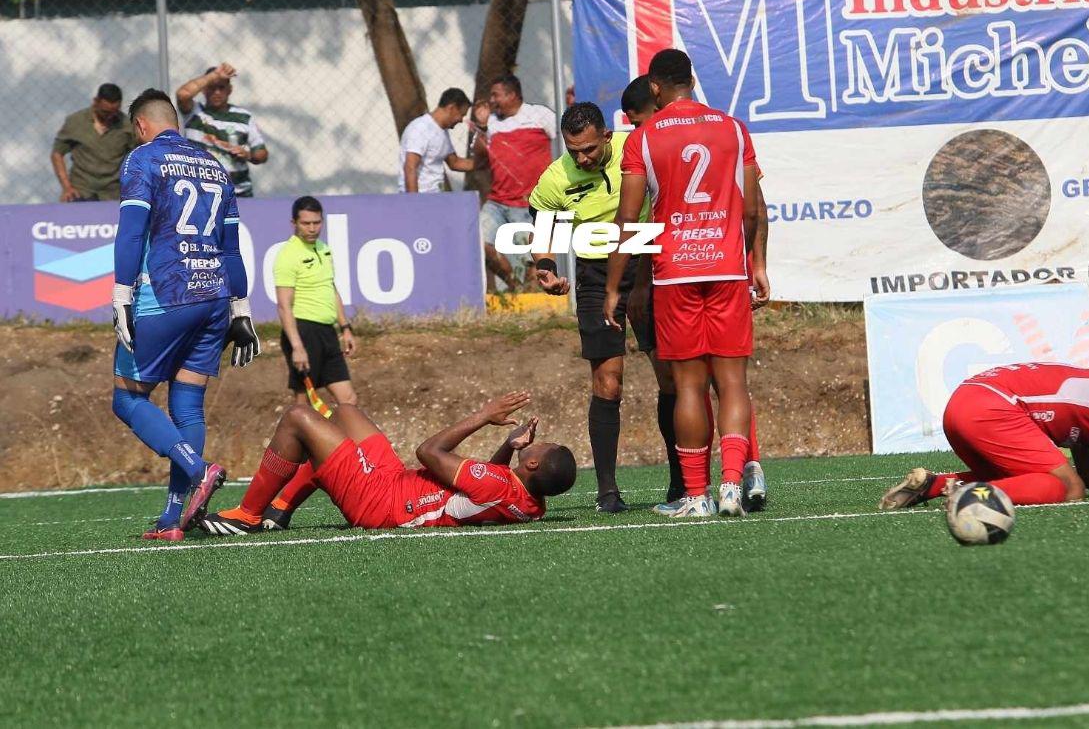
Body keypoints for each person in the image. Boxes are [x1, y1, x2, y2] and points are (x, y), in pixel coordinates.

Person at [604, 49, 768, 519]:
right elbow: (752, 207)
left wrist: (615, 285)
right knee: (733, 382)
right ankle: (734, 484)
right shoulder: (734, 128)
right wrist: (753, 260)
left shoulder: (644, 138)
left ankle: (697, 497)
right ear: (692, 80)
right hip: (726, 266)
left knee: (690, 387)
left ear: (654, 88)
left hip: (675, 272)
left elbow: (628, 219)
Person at [110, 89, 261, 542]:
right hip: (215, 293)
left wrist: (122, 290)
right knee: (187, 404)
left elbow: (132, 230)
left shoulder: (142, 159)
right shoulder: (215, 165)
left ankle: (198, 469)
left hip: (167, 292)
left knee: (128, 397)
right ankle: (172, 519)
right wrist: (241, 306)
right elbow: (231, 246)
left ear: (140, 125)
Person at [197, 391, 576, 534]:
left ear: (533, 467)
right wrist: (509, 447)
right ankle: (280, 509)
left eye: (542, 447)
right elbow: (481, 489)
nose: (539, 442)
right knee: (345, 413)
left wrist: (484, 414)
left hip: (382, 503)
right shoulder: (529, 502)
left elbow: (428, 452)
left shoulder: (496, 486)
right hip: (395, 485)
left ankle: (247, 515)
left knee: (299, 417)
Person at [527, 102, 656, 513]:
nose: (580, 158)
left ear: (606, 136)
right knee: (608, 383)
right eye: (572, 150)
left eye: (588, 149)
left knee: (671, 377)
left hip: (650, 265)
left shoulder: (637, 149)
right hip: (596, 277)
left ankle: (683, 484)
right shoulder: (555, 177)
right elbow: (542, 230)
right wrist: (546, 268)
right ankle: (607, 492)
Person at [879, 362, 1089, 510]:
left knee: (1026, 480)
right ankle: (969, 497)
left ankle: (936, 484)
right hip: (991, 407)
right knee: (1068, 487)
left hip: (962, 407)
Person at [469, 74, 555, 291]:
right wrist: (481, 126)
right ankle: (513, 286)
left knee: (531, 261)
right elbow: (479, 158)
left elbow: (567, 140)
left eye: (495, 95)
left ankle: (532, 299)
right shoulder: (491, 123)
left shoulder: (539, 115)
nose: (491, 101)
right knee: (479, 242)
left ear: (512, 95)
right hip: (497, 201)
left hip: (529, 203)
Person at [275, 196, 357, 408]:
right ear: (294, 223)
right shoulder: (288, 255)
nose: (312, 228)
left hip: (327, 332)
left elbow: (331, 288)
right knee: (304, 405)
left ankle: (345, 443)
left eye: (317, 222)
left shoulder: (324, 249)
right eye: (306, 223)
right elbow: (284, 306)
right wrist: (297, 347)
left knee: (348, 401)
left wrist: (345, 327)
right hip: (303, 331)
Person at [176, 62, 269, 197]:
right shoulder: (194, 112)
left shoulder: (244, 117)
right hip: (200, 193)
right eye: (211, 87)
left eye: (221, 87)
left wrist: (248, 155)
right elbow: (183, 94)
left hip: (238, 194)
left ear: (229, 90)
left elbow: (262, 153)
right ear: (203, 89)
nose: (217, 92)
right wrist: (213, 76)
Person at [51, 83, 137, 202]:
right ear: (95, 102)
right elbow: (57, 154)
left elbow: (140, 156)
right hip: (80, 192)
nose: (109, 117)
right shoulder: (75, 122)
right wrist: (67, 188)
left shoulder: (127, 126)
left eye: (114, 112)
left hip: (113, 194)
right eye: (105, 112)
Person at [398, 88, 476, 193]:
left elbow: (455, 163)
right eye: (461, 115)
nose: (461, 120)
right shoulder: (421, 128)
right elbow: (410, 167)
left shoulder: (442, 131)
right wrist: (414, 203)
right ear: (451, 108)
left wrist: (491, 164)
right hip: (421, 198)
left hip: (436, 196)